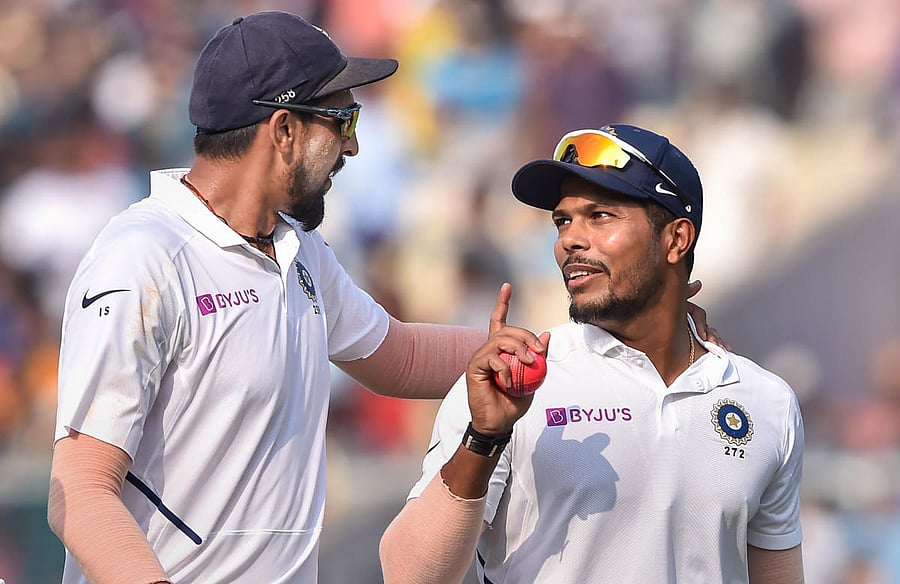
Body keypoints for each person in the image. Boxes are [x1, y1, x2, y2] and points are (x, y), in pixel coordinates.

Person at [47, 11, 722, 584]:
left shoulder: (296, 251)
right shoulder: (144, 258)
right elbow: (78, 492)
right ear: (282, 131)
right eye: (340, 119)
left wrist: (606, 342)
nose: (355, 143)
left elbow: (397, 355)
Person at [380, 124, 805, 583]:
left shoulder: (767, 402)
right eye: (563, 221)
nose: (569, 241)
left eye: (600, 216)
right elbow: (407, 576)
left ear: (676, 239)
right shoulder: (509, 387)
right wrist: (483, 439)